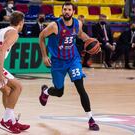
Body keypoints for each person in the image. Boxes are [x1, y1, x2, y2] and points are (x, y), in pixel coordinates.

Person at [38, 2, 100, 131]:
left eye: (69, 9)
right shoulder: (54, 26)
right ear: (62, 11)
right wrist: (44, 56)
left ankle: (91, 119)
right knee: (59, 92)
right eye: (64, 9)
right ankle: (45, 92)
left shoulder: (78, 24)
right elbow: (41, 36)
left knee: (80, 87)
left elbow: (80, 34)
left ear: (73, 11)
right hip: (58, 62)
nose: (67, 11)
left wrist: (90, 41)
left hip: (73, 60)